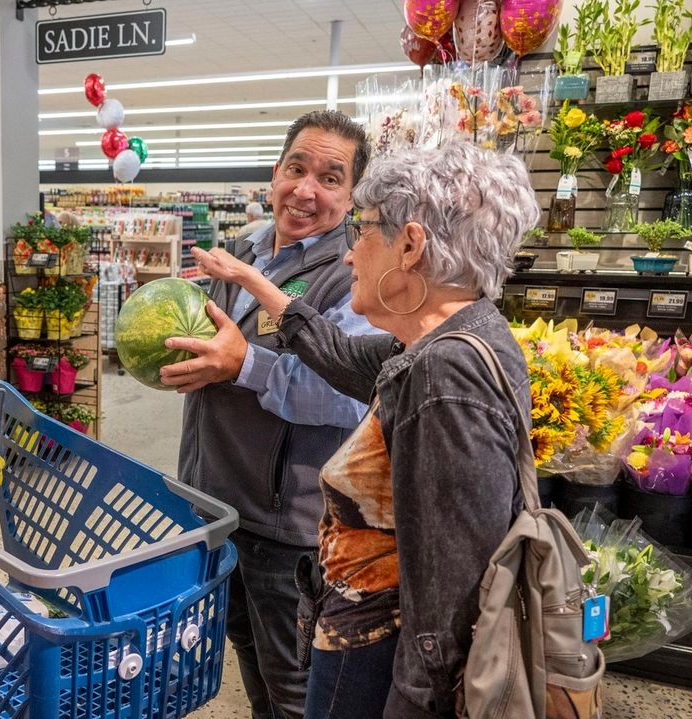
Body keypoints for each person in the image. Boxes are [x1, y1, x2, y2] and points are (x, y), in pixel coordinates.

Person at [168, 143, 537, 718]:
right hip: (362, 636)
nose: (348, 256)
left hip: (381, 656)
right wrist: (253, 279)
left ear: (410, 246)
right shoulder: (432, 342)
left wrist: (415, 701)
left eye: (364, 232)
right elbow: (338, 355)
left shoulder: (447, 374)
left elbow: (451, 581)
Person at [168, 109, 381, 719]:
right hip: (214, 502)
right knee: (246, 652)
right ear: (274, 173)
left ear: (351, 197)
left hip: (287, 522)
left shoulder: (351, 275)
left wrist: (243, 367)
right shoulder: (241, 251)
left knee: (294, 684)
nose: (306, 190)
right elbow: (212, 350)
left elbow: (346, 395)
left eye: (330, 177)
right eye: (297, 168)